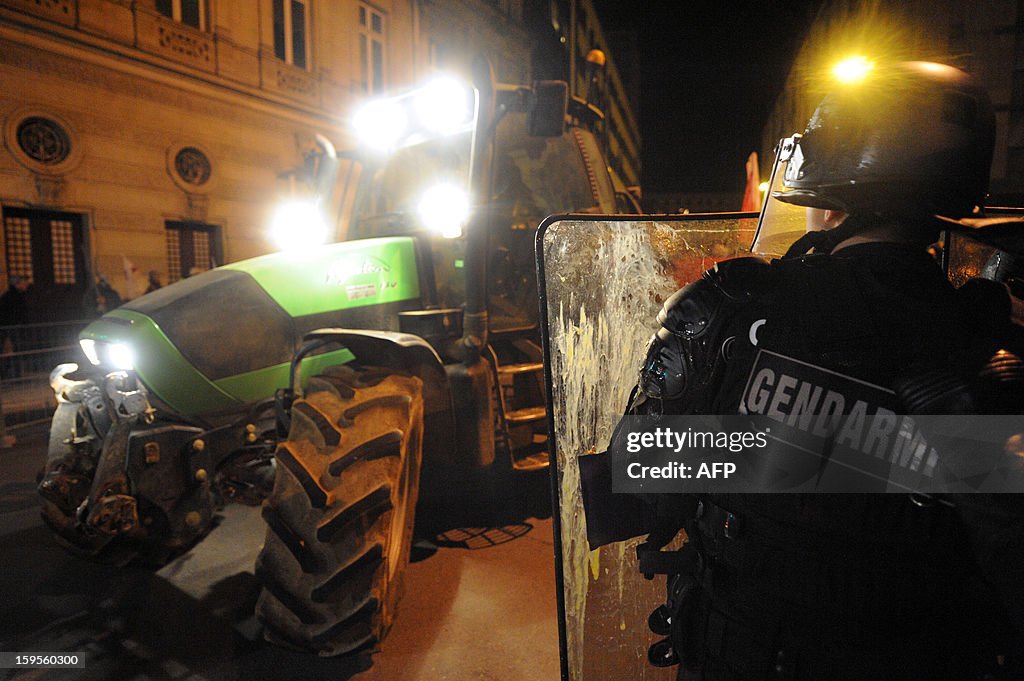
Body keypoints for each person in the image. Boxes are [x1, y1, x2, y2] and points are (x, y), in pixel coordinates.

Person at [594, 62, 1024, 680]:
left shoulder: (733, 308)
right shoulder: (991, 345)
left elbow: (637, 485)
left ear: (827, 199)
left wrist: (768, 452)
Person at [0, 275, 30, 378]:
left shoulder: (10, 296)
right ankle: (14, 374)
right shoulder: (14, 297)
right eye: (23, 282)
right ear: (17, 284)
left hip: (9, 327)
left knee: (12, 350)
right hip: (12, 327)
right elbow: (16, 313)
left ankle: (9, 374)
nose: (26, 284)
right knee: (15, 350)